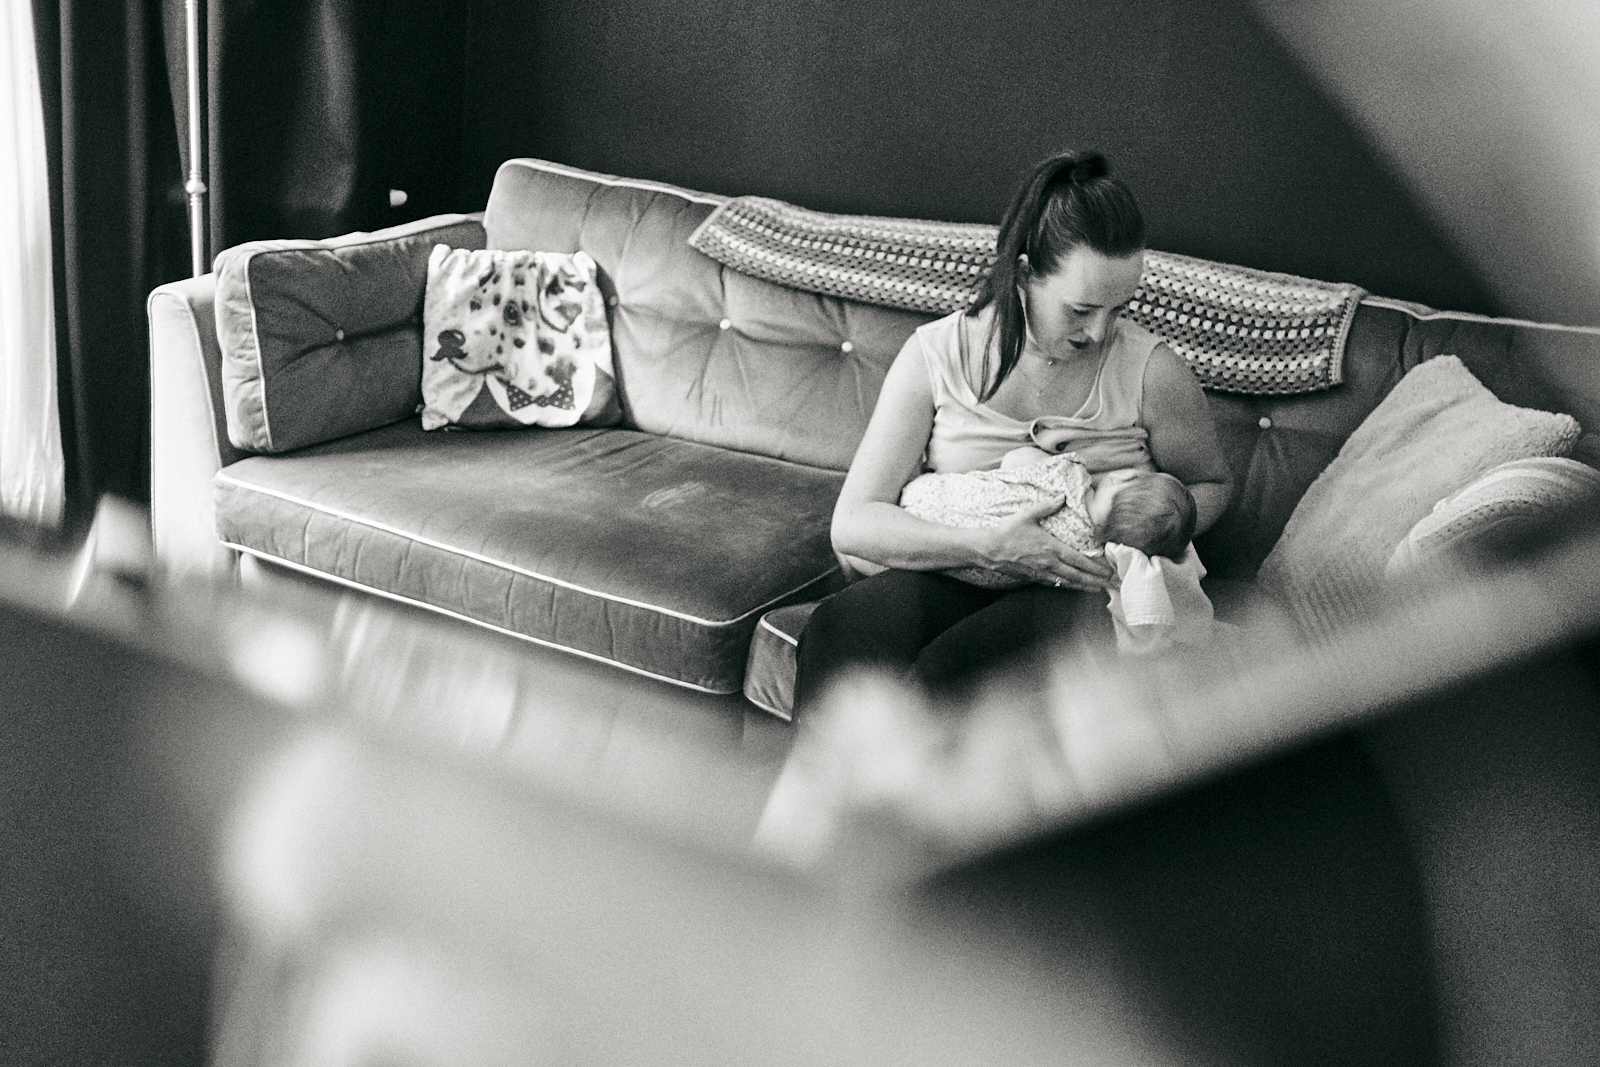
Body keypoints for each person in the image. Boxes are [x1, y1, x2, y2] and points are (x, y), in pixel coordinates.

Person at [793, 149, 1232, 711]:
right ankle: (819, 799)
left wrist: (1130, 528)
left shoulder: (1152, 371)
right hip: (959, 564)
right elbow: (853, 524)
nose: (1101, 332)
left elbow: (1212, 485)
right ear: (1024, 276)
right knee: (841, 632)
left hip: (1080, 587)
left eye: (1120, 309)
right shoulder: (937, 355)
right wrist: (986, 546)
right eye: (1080, 310)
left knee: (957, 675)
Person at [897, 447, 1198, 589]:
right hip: (962, 574)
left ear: (1124, 476)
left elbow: (1015, 458)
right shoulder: (1090, 557)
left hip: (926, 499)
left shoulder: (1066, 475)